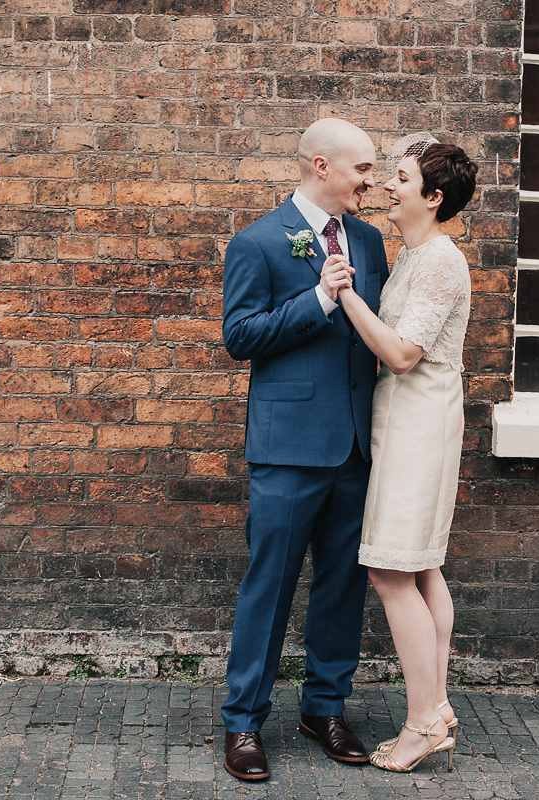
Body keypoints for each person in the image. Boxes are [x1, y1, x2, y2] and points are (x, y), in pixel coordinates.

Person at [219, 118, 389, 781]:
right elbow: (241, 336)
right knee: (271, 583)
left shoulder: (371, 243)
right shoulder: (258, 243)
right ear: (322, 166)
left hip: (354, 443)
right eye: (362, 170)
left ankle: (325, 707)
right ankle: (243, 722)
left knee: (344, 585)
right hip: (287, 448)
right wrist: (320, 297)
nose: (370, 182)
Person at [332, 133, 477, 773]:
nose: (388, 186)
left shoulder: (441, 260)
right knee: (420, 568)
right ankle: (436, 708)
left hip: (421, 421)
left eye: (401, 177)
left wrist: (343, 293)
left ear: (433, 196)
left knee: (391, 570)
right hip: (406, 419)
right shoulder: (415, 256)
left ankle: (423, 722)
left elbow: (400, 353)